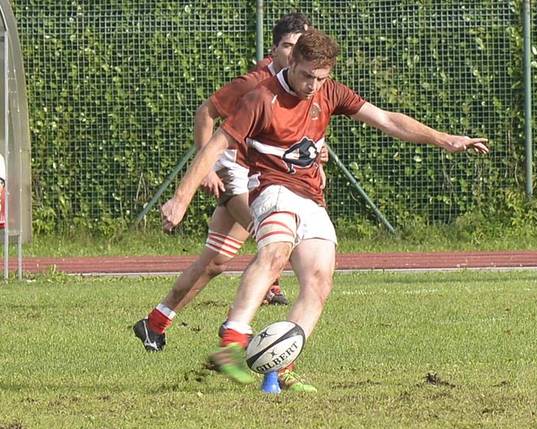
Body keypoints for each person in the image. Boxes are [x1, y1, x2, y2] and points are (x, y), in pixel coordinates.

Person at [160, 29, 489, 391]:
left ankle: (282, 368)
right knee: (275, 251)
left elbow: (388, 119)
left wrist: (445, 139)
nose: (312, 85)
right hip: (271, 188)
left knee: (319, 281)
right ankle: (232, 343)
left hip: (312, 196)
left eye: (321, 78)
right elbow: (215, 146)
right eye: (306, 75)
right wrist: (181, 198)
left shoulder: (329, 90)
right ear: (292, 61)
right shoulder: (261, 96)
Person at [133, 13, 317, 352]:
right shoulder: (255, 84)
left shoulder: (303, 84)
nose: (295, 54)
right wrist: (207, 169)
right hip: (237, 173)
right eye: (289, 47)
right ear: (274, 50)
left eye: (300, 46)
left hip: (258, 175)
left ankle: (154, 323)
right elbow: (205, 113)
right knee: (278, 240)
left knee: (216, 261)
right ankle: (239, 323)